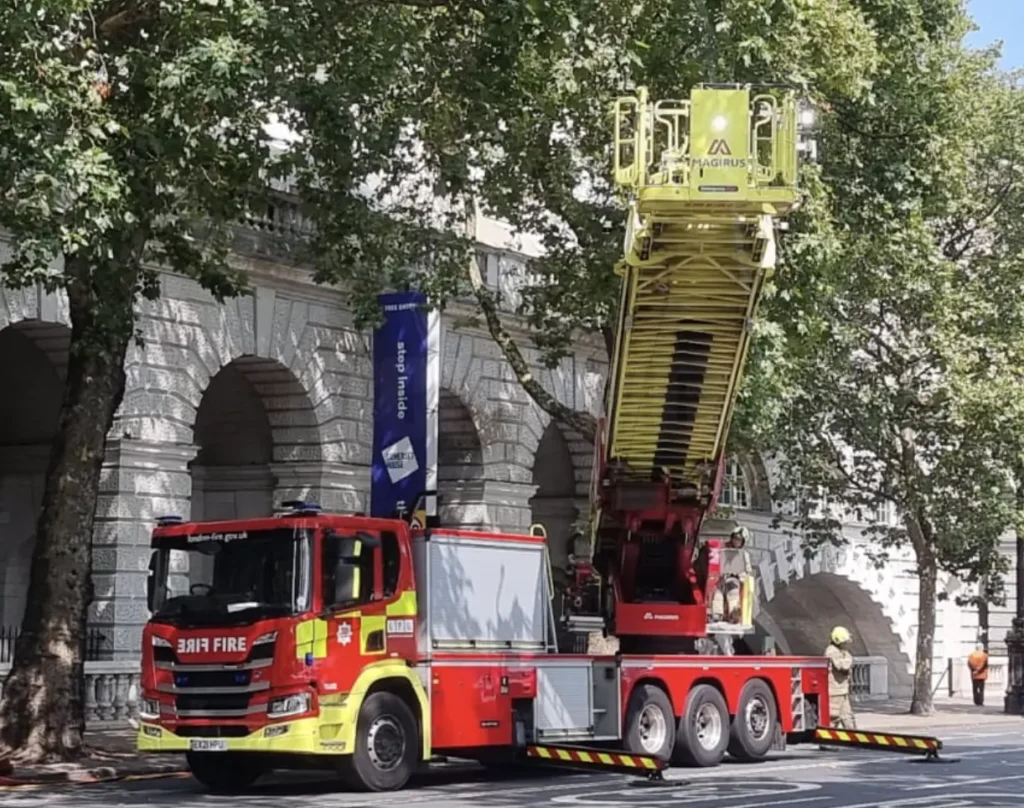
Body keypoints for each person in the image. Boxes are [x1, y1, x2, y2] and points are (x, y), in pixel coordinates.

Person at [825, 625, 855, 729]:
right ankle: (828, 741)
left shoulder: (841, 651)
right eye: (845, 642)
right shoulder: (832, 651)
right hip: (835, 691)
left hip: (842, 690)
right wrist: (848, 658)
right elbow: (843, 666)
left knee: (848, 717)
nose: (847, 644)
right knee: (833, 718)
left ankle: (854, 740)